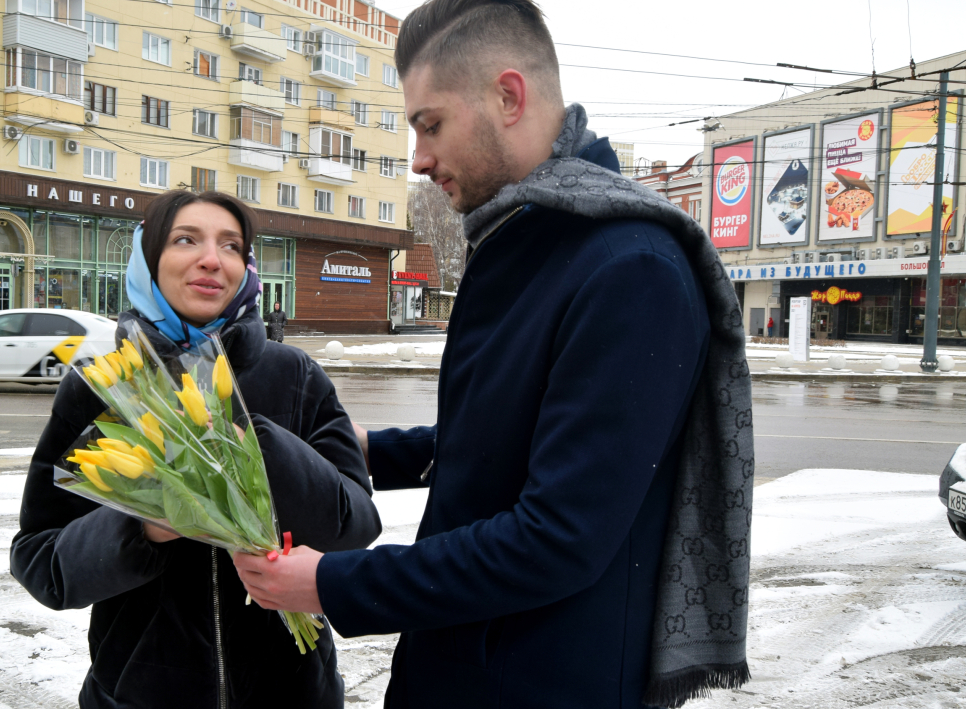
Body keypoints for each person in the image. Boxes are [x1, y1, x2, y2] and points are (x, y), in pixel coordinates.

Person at [232, 2, 754, 708]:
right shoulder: (530, 241)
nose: (418, 158)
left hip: (541, 680)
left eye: (430, 124)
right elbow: (509, 440)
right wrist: (365, 448)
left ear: (508, 96)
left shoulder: (631, 268)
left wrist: (332, 583)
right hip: (466, 663)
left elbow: (557, 535)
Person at [10, 190, 382, 709]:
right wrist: (146, 525)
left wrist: (257, 445)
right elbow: (42, 563)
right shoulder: (101, 388)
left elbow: (357, 525)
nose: (212, 258)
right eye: (187, 239)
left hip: (293, 696)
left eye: (231, 245)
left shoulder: (295, 376)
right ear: (149, 260)